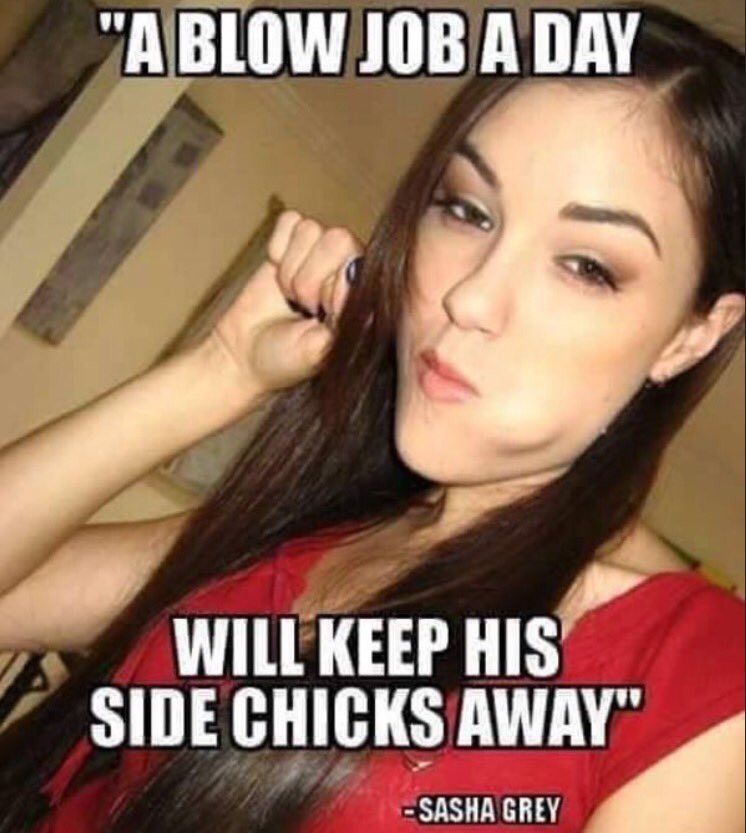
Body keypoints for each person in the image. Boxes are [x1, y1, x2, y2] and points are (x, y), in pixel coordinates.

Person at [0, 4, 743, 831]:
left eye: (586, 266)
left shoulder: (695, 672)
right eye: (467, 210)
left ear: (689, 335)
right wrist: (218, 372)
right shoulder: (321, 535)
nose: (469, 297)